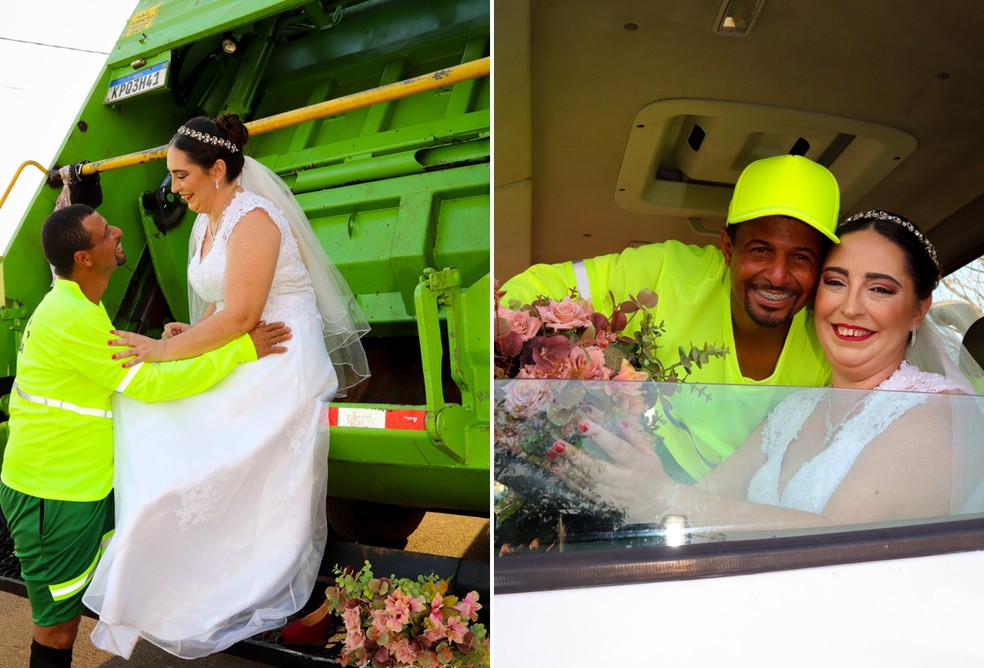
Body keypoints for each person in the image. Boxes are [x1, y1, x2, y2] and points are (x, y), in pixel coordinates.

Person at [81, 114, 370, 659]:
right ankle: (165, 561)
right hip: (244, 346)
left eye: (181, 175)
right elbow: (218, 306)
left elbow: (240, 315)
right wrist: (191, 331)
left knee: (188, 429)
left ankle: (251, 578)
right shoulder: (205, 223)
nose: (174, 188)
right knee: (151, 408)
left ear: (217, 169)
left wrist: (165, 350)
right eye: (170, 176)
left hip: (279, 352)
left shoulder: (255, 219)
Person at [551, 210, 984, 530]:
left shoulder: (937, 410)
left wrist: (666, 498)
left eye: (879, 289)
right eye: (835, 282)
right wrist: (629, 463)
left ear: (918, 309)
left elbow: (848, 543)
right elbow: (702, 499)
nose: (850, 307)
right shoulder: (794, 410)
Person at [0, 203, 290, 668]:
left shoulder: (76, 306)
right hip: (51, 498)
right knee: (56, 627)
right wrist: (239, 349)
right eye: (103, 233)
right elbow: (150, 386)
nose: (117, 231)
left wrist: (171, 345)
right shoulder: (73, 317)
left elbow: (122, 365)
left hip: (73, 485)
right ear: (84, 259)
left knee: (73, 612)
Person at [501, 154, 840, 481]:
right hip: (641, 478)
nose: (778, 276)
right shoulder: (668, 271)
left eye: (801, 257)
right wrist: (581, 360)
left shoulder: (833, 334)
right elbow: (532, 289)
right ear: (727, 247)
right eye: (760, 250)